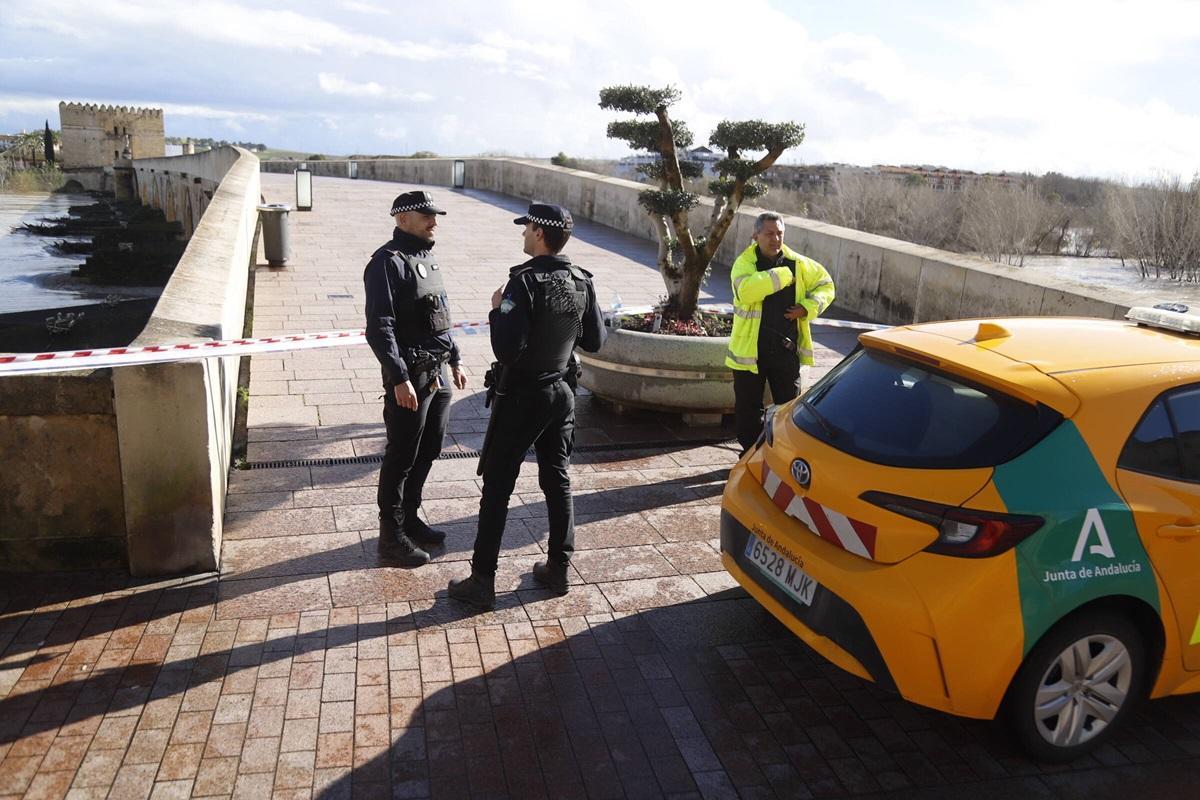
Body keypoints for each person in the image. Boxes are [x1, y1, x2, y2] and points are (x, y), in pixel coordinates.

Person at [448, 202, 605, 609]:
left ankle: (482, 581)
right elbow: (594, 341)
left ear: (539, 233)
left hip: (522, 397)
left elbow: (507, 348)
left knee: (497, 487)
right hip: (562, 394)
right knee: (557, 478)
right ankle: (558, 568)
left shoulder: (523, 282)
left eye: (526, 229)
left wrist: (497, 309)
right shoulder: (582, 280)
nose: (522, 234)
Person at [363, 190, 468, 567]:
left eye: (434, 215)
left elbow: (440, 311)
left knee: (430, 448)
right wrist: (398, 377)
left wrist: (454, 358)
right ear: (402, 219)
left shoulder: (426, 256)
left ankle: (410, 517)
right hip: (411, 376)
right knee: (401, 456)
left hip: (438, 371)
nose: (434, 221)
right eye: (426, 216)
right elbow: (380, 327)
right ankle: (391, 537)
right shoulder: (385, 263)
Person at [727, 211, 835, 452]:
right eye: (769, 234)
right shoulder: (744, 264)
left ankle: (783, 455)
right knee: (748, 410)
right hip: (750, 354)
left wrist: (807, 308)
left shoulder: (799, 263)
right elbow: (746, 291)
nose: (775, 239)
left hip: (785, 350)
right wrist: (784, 274)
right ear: (755, 236)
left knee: (789, 409)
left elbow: (826, 285)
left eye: (779, 233)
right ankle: (749, 455)